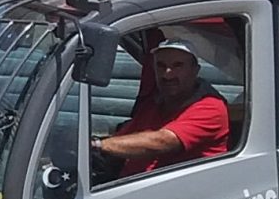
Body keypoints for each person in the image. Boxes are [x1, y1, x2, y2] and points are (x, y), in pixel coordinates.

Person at [92, 37, 233, 179]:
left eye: (178, 65)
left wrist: (98, 145)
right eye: (161, 65)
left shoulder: (210, 107)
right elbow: (123, 137)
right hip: (132, 186)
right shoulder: (155, 103)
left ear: (195, 70)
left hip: (180, 193)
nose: (167, 74)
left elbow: (162, 142)